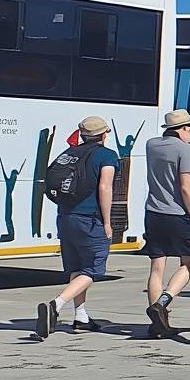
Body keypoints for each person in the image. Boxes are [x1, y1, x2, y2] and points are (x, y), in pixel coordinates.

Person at [35, 117, 120, 339]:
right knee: (92, 270)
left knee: (77, 267)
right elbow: (105, 187)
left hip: (65, 217)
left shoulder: (70, 153)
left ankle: (81, 316)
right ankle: (56, 305)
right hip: (90, 220)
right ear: (104, 134)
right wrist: (108, 222)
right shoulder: (107, 155)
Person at [142, 110, 190, 338]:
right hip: (177, 213)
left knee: (156, 267)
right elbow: (186, 186)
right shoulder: (185, 149)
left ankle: (157, 324)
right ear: (184, 128)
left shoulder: (151, 144)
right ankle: (163, 302)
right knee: (189, 262)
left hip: (153, 211)